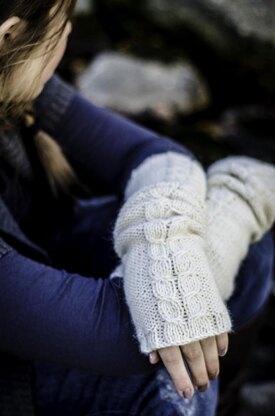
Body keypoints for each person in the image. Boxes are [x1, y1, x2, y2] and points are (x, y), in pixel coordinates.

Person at [0, 1, 274, 415]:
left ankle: (224, 400)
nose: (70, 35)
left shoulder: (15, 77)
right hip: (15, 378)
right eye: (64, 21)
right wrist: (236, 201)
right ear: (9, 36)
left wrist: (162, 237)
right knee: (163, 370)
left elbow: (152, 153)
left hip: (47, 249)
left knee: (242, 250)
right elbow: (129, 337)